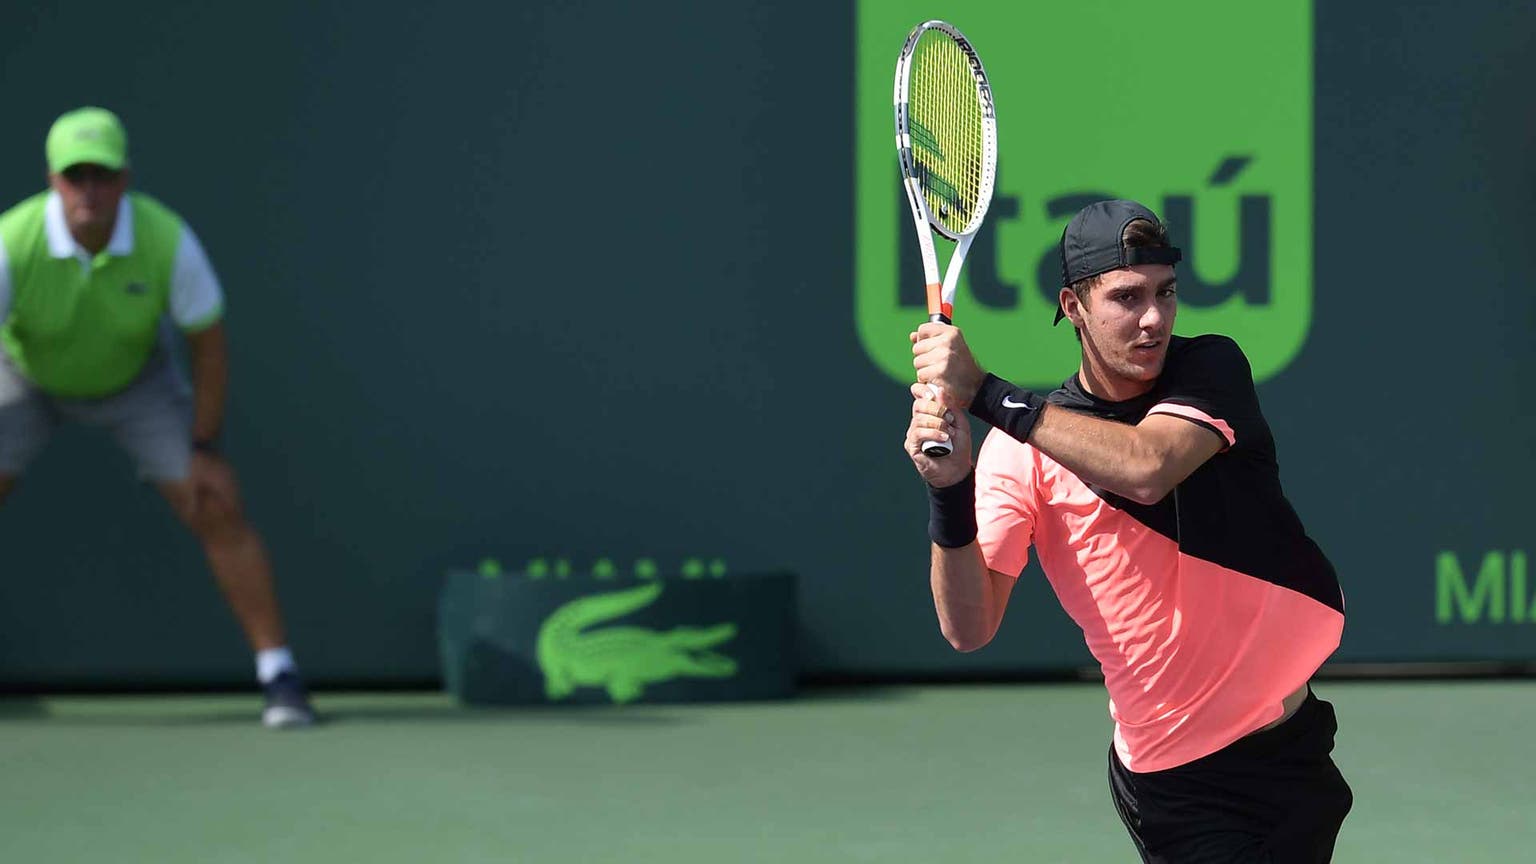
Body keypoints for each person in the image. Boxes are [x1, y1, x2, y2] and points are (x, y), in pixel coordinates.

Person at [904, 199, 1351, 862]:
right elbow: (969, 629)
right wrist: (949, 495)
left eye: (1166, 293)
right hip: (1185, 788)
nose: (1153, 319)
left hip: (1296, 753)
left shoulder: (1210, 371)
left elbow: (1148, 468)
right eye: (1127, 297)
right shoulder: (1018, 454)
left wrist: (986, 392)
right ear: (1073, 305)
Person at [0, 107, 316, 729]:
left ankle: (279, 674)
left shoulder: (167, 240)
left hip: (134, 382)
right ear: (52, 181)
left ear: (125, 180)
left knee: (214, 501)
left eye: (103, 175)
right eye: (75, 176)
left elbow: (209, 342)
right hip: (24, 374)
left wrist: (205, 444)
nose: (89, 189)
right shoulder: (12, 242)